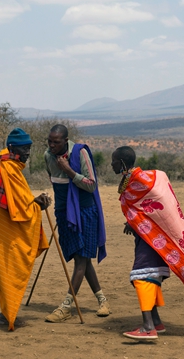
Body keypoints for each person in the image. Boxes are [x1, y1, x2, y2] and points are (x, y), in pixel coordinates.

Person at [113, 146, 184, 341]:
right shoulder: (132, 181)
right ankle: (156, 321)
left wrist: (137, 222)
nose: (111, 164)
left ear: (121, 163)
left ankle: (148, 327)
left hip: (153, 236)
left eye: (114, 161)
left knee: (143, 276)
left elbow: (153, 206)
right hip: (149, 236)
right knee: (152, 273)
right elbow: (142, 209)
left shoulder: (139, 181)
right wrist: (134, 222)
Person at [0, 128, 51, 331]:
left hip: (1, 221)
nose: (28, 152)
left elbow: (18, 199)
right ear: (12, 147)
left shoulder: (3, 160)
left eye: (30, 148)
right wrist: (38, 205)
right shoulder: (8, 168)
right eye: (25, 148)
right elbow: (21, 207)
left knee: (8, 266)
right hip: (9, 224)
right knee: (15, 265)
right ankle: (6, 316)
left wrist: (33, 201)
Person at [44, 124, 109, 322]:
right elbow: (55, 182)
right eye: (49, 141)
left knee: (82, 259)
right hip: (64, 213)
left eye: (56, 142)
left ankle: (66, 307)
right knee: (82, 258)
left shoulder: (80, 153)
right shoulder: (48, 156)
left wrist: (70, 171)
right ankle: (103, 300)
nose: (52, 145)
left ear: (66, 141)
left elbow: (91, 185)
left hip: (85, 211)